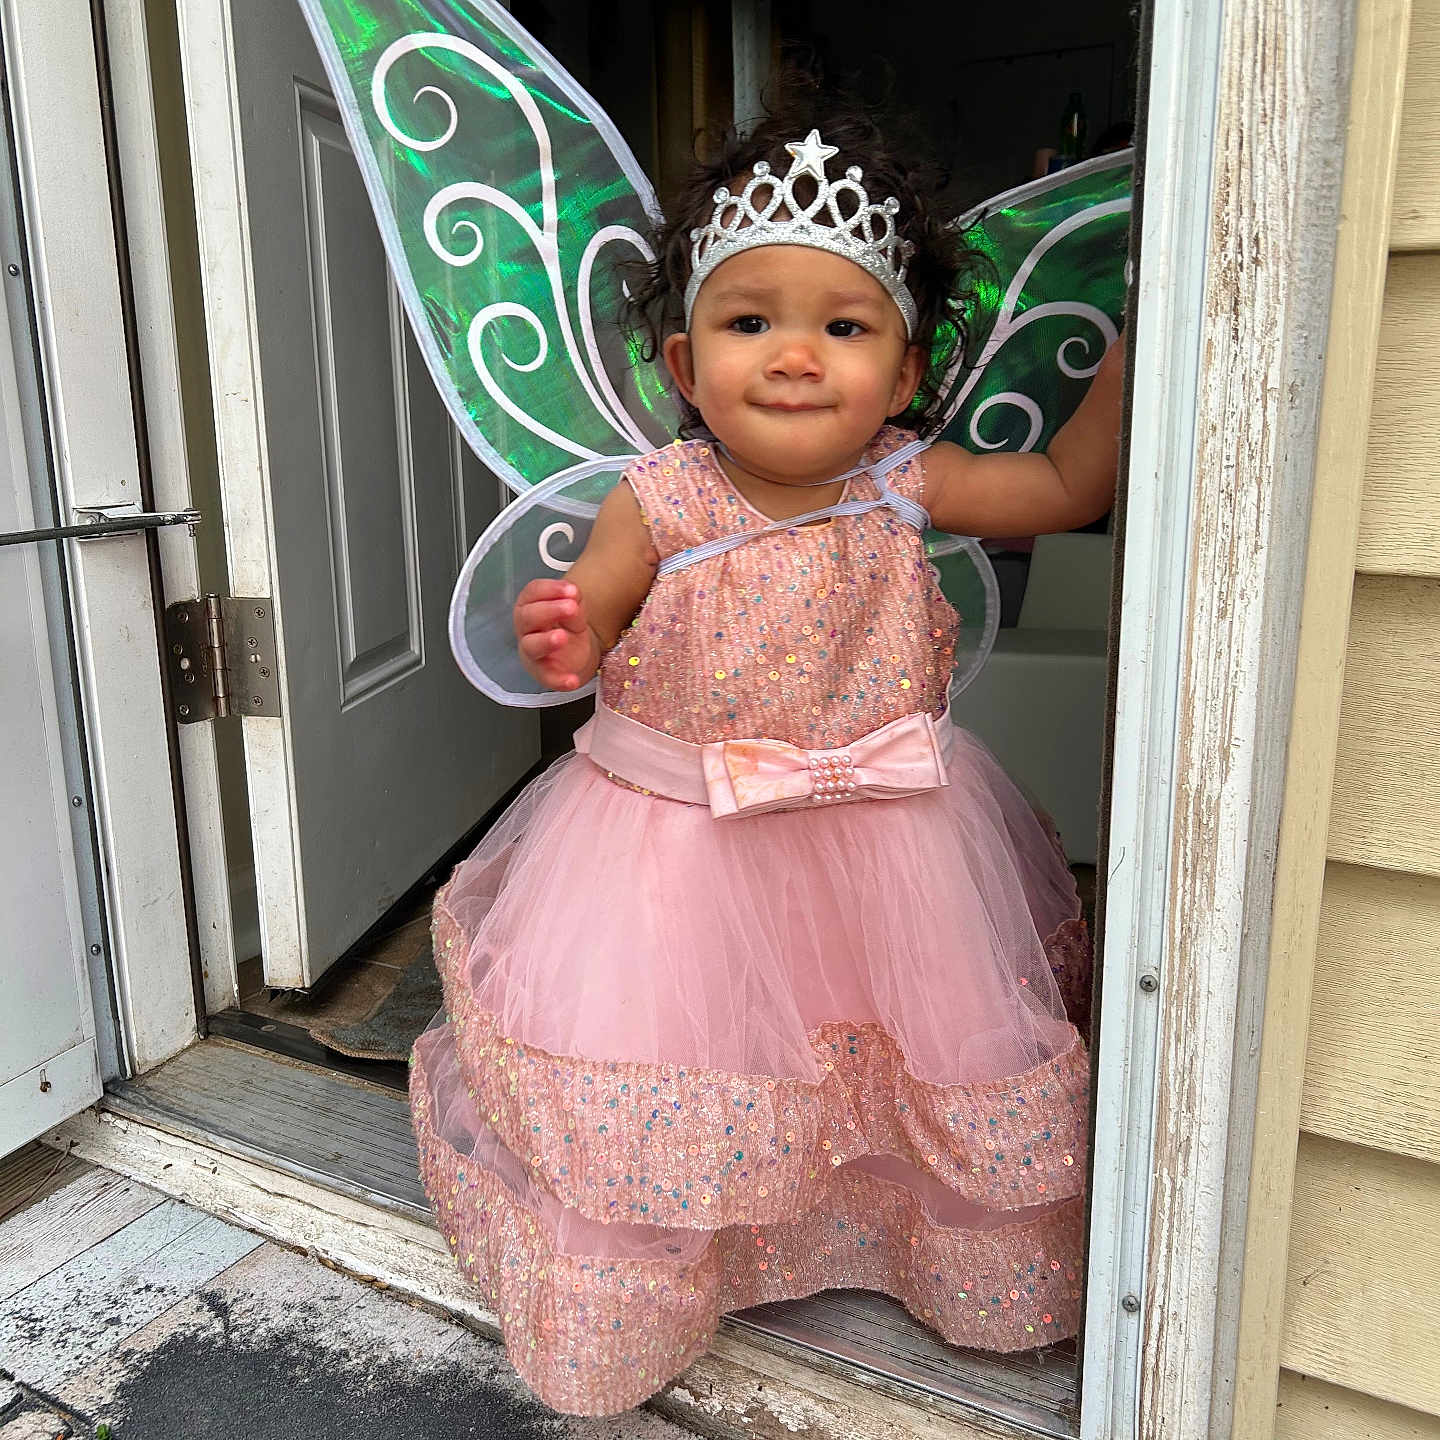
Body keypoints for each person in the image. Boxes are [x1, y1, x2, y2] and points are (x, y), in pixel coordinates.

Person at [409, 97, 1123, 1418]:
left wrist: (1139, 340)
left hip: (890, 845)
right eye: (752, 324)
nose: (796, 356)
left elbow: (1070, 489)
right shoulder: (661, 498)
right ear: (686, 366)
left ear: (904, 376)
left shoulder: (910, 483)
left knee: (889, 1047)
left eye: (843, 326)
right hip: (674, 850)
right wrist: (566, 633)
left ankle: (904, 1245)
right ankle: (670, 1279)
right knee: (688, 1065)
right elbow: (594, 625)